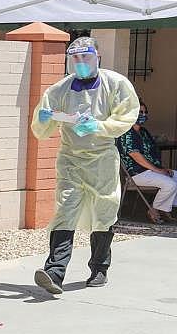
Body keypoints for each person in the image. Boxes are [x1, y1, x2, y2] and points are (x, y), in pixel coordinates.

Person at [31, 37, 139, 294]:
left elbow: (126, 115)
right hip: (71, 159)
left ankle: (100, 268)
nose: (80, 63)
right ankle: (54, 272)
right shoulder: (59, 90)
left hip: (101, 158)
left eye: (85, 57)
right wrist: (44, 117)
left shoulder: (116, 84)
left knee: (104, 212)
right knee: (65, 210)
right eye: (75, 58)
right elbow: (41, 129)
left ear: (97, 57)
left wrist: (100, 126)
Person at [117, 102, 177, 224]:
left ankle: (165, 208)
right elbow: (135, 155)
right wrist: (158, 170)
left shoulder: (143, 132)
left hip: (151, 170)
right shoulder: (126, 133)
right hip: (136, 174)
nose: (143, 115)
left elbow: (151, 154)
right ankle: (154, 210)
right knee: (170, 184)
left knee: (175, 176)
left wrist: (162, 168)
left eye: (145, 112)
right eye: (140, 112)